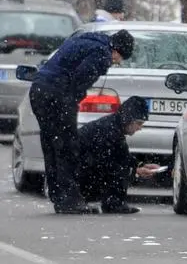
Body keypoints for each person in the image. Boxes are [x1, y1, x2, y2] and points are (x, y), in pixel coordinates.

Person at [29, 29, 134, 214]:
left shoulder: (87, 38)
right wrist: (74, 97)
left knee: (51, 144)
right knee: (67, 146)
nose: (116, 62)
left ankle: (57, 194)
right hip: (58, 94)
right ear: (117, 50)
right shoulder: (102, 53)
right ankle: (69, 200)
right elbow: (81, 77)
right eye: (119, 58)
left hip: (39, 90)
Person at [78, 96, 162, 214]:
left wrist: (141, 165)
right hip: (79, 173)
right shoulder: (109, 131)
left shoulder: (113, 127)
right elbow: (109, 163)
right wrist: (135, 171)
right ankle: (113, 203)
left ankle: (113, 202)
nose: (140, 128)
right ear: (128, 120)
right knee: (120, 168)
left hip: (80, 171)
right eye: (138, 123)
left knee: (122, 166)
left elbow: (123, 156)